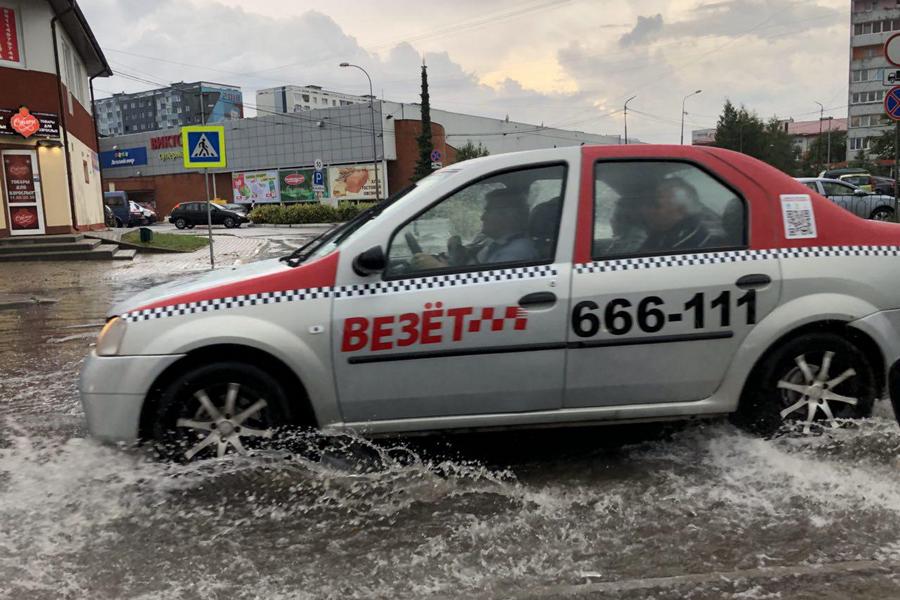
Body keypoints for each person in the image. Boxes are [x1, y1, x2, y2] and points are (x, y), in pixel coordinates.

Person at [411, 188, 538, 270]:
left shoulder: (516, 252)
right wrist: (458, 254)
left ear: (507, 216)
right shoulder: (492, 241)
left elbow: (486, 289)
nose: (482, 217)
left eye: (488, 211)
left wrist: (438, 267)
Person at [637, 178, 712, 253]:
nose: (646, 210)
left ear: (680, 212)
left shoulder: (697, 243)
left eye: (656, 205)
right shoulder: (661, 234)